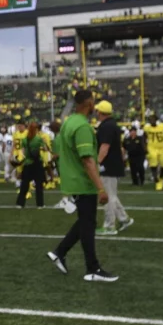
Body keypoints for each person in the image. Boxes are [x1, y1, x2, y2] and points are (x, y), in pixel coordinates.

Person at [47, 90, 116, 282]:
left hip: (73, 179)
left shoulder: (68, 122)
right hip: (82, 181)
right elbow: (87, 160)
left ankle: (60, 252)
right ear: (89, 103)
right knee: (88, 223)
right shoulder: (82, 126)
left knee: (86, 221)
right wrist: (100, 188)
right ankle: (92, 268)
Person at [95, 101, 131, 235]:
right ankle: (124, 218)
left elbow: (105, 147)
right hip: (112, 164)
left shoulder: (106, 127)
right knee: (112, 195)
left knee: (108, 196)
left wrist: (97, 163)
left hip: (108, 165)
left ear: (100, 112)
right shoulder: (112, 125)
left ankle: (109, 225)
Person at [15, 121, 47, 208]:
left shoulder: (25, 139)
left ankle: (20, 204)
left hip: (28, 163)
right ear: (36, 129)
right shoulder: (39, 139)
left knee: (24, 185)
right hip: (37, 163)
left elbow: (23, 151)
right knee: (39, 185)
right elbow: (45, 149)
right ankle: (40, 204)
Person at [143, 114, 163, 190]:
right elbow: (144, 138)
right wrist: (145, 148)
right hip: (152, 147)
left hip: (162, 147)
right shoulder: (147, 127)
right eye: (150, 120)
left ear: (156, 120)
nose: (151, 121)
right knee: (153, 163)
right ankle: (155, 178)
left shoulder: (162, 126)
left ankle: (160, 177)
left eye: (153, 120)